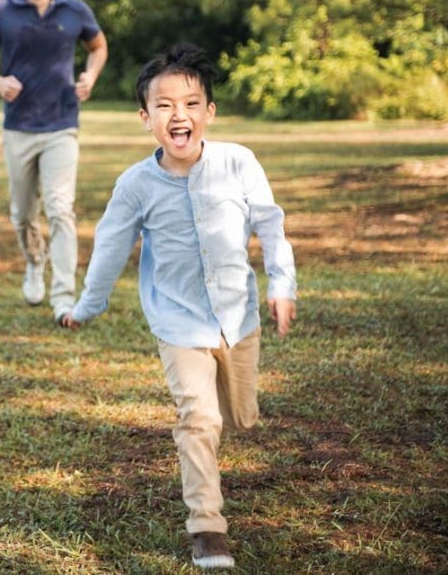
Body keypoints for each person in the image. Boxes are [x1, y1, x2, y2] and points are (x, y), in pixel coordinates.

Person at [60, 44, 297, 570]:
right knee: (198, 417)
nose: (178, 115)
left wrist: (283, 285)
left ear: (209, 113)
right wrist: (86, 306)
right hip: (177, 320)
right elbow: (110, 248)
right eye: (164, 106)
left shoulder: (239, 162)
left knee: (240, 416)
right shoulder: (135, 185)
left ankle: (229, 412)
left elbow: (270, 227)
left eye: (190, 103)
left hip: (238, 317)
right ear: (145, 119)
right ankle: (208, 529)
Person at [0, 0, 108, 321]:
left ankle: (63, 297)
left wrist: (90, 77)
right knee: (23, 213)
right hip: (19, 128)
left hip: (62, 124)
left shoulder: (75, 10)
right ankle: (34, 261)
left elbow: (98, 47)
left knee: (61, 209)